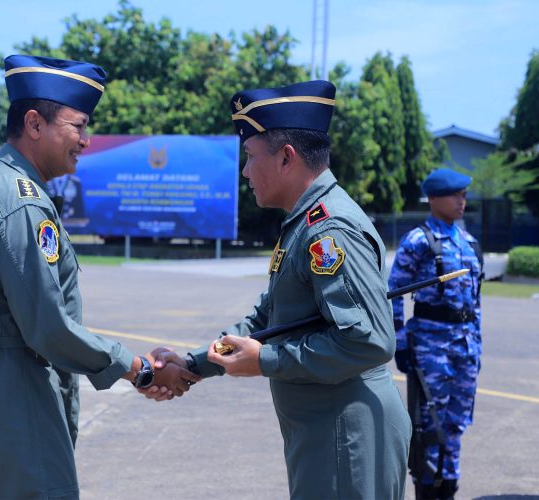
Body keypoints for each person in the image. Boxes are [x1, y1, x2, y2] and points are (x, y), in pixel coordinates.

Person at [0, 54, 198, 499]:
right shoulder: (23, 202)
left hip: (2, 389)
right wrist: (139, 370)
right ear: (34, 123)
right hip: (15, 395)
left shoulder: (3, 184)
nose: (86, 140)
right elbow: (48, 326)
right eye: (77, 126)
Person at [151, 81, 411, 499]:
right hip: (326, 432)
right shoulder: (303, 223)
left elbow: (370, 342)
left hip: (347, 436)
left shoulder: (329, 228)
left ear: (286, 157)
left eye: (251, 157)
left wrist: (266, 361)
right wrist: (195, 363)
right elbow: (268, 320)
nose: (245, 171)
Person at [389, 168, 483, 500]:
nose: (462, 200)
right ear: (433, 199)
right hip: (431, 351)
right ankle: (428, 491)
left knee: (456, 426)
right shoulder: (419, 241)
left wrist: (477, 348)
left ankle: (449, 488)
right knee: (429, 429)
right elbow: (394, 294)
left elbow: (475, 304)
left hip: (464, 351)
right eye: (455, 194)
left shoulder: (469, 243)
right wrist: (400, 344)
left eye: (464, 195)